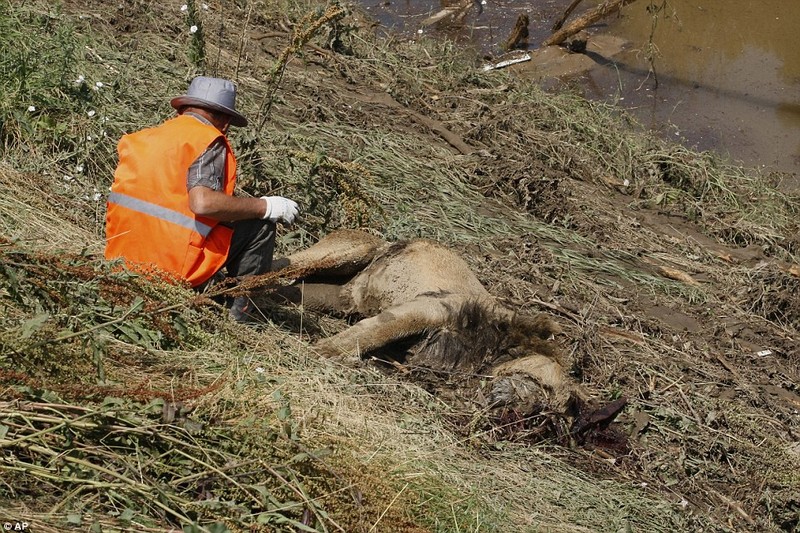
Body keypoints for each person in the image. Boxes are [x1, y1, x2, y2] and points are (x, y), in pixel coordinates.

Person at [105, 76, 298, 320]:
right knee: (260, 225)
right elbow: (203, 203)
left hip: (121, 262)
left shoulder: (142, 138)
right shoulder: (207, 139)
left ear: (184, 109)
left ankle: (216, 288)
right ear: (226, 121)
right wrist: (265, 206)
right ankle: (244, 321)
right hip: (171, 268)